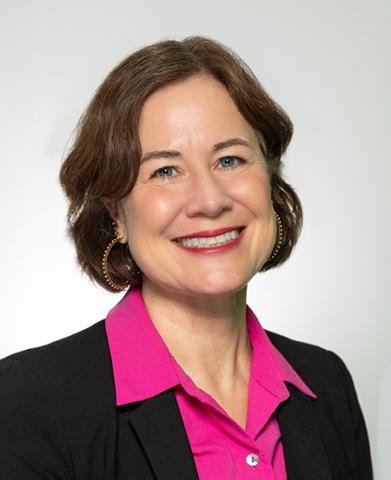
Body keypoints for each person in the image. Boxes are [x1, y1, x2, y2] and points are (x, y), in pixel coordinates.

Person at [0, 35, 373, 480]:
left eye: (230, 160)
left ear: (271, 180)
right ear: (115, 213)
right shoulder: (28, 401)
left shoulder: (326, 384)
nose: (208, 200)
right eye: (165, 170)